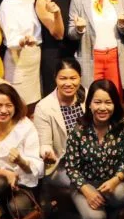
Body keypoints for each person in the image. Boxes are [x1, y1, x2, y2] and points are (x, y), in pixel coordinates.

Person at [62, 80, 124, 219]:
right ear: (89, 104)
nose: (102, 108)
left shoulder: (123, 126)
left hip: (111, 181)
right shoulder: (78, 130)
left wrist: (115, 180)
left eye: (108, 102)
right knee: (96, 218)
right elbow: (71, 167)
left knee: (123, 195)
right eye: (97, 102)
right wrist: (86, 190)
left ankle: (108, 208)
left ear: (115, 104)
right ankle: (96, 209)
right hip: (84, 183)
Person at [0, 85, 45, 217]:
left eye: (9, 105)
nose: (3, 110)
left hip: (24, 182)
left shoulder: (25, 126)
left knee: (18, 207)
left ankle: (3, 210)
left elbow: (36, 168)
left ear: (15, 107)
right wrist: (5, 173)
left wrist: (21, 162)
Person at [67, 0, 124, 92]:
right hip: (90, 57)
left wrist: (123, 24)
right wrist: (79, 29)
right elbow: (71, 34)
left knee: (114, 97)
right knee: (91, 98)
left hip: (115, 57)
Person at [32, 59, 85, 192]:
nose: (68, 83)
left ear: (80, 78)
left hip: (90, 159)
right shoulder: (44, 107)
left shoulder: (89, 96)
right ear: (55, 78)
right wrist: (47, 153)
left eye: (73, 78)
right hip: (62, 164)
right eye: (63, 78)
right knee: (83, 183)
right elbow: (44, 143)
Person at [0, 0, 41, 107]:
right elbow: (11, 41)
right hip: (18, 60)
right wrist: (22, 41)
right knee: (20, 106)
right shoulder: (6, 6)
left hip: (34, 58)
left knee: (35, 105)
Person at [35, 0, 76, 97]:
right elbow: (58, 34)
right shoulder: (42, 0)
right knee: (55, 99)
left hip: (71, 54)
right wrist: (57, 13)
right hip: (54, 57)